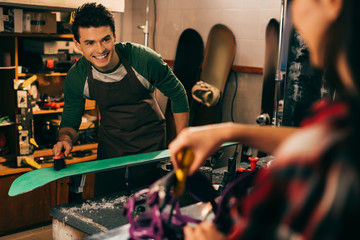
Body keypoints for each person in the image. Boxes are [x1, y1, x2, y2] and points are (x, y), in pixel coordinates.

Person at [169, 0, 360, 239]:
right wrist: (229, 131)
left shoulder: (337, 169)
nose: (295, 18)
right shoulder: (344, 119)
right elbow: (320, 141)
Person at [52, 3, 189, 195]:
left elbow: (178, 94)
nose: (100, 50)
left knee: (149, 205)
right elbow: (69, 125)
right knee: (106, 205)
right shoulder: (77, 77)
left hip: (150, 145)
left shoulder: (143, 60)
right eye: (90, 43)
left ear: (114, 36)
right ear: (77, 44)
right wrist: (65, 139)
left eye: (105, 40)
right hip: (111, 147)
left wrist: (183, 142)